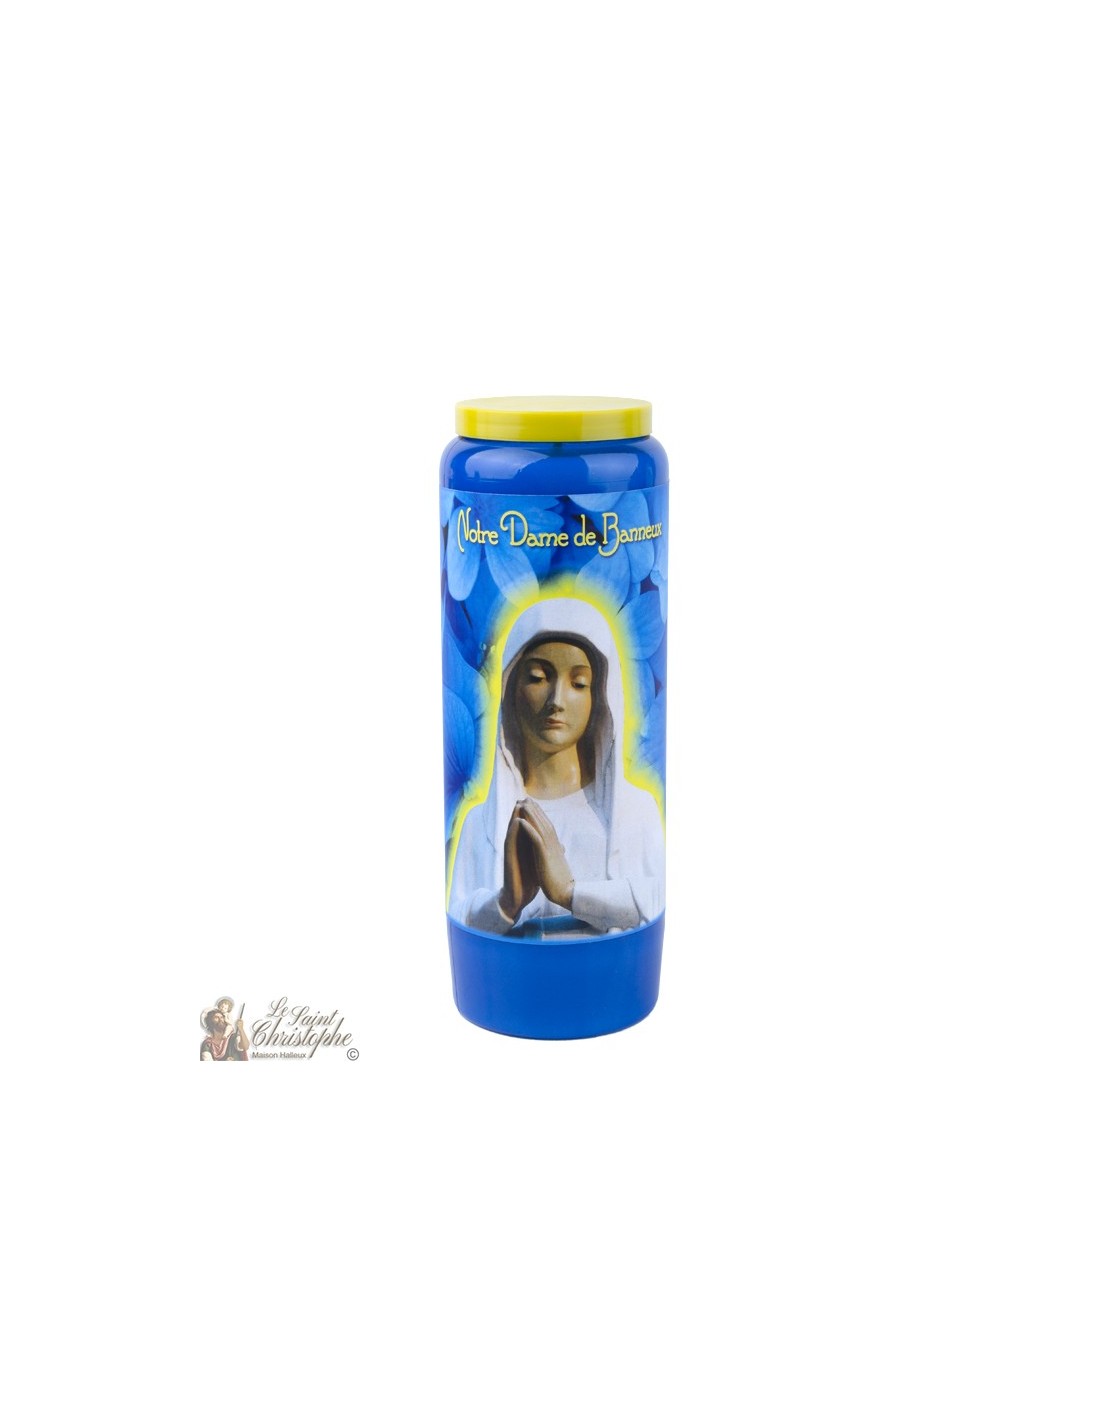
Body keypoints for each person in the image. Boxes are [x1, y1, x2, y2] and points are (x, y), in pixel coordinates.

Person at [448, 598, 664, 937]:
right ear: (511, 689)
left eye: (578, 683)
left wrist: (570, 893)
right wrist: (507, 902)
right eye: (538, 678)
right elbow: (461, 917)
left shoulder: (636, 812)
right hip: (510, 972)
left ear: (600, 696)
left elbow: (656, 899)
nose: (556, 701)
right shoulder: (480, 824)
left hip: (611, 969)